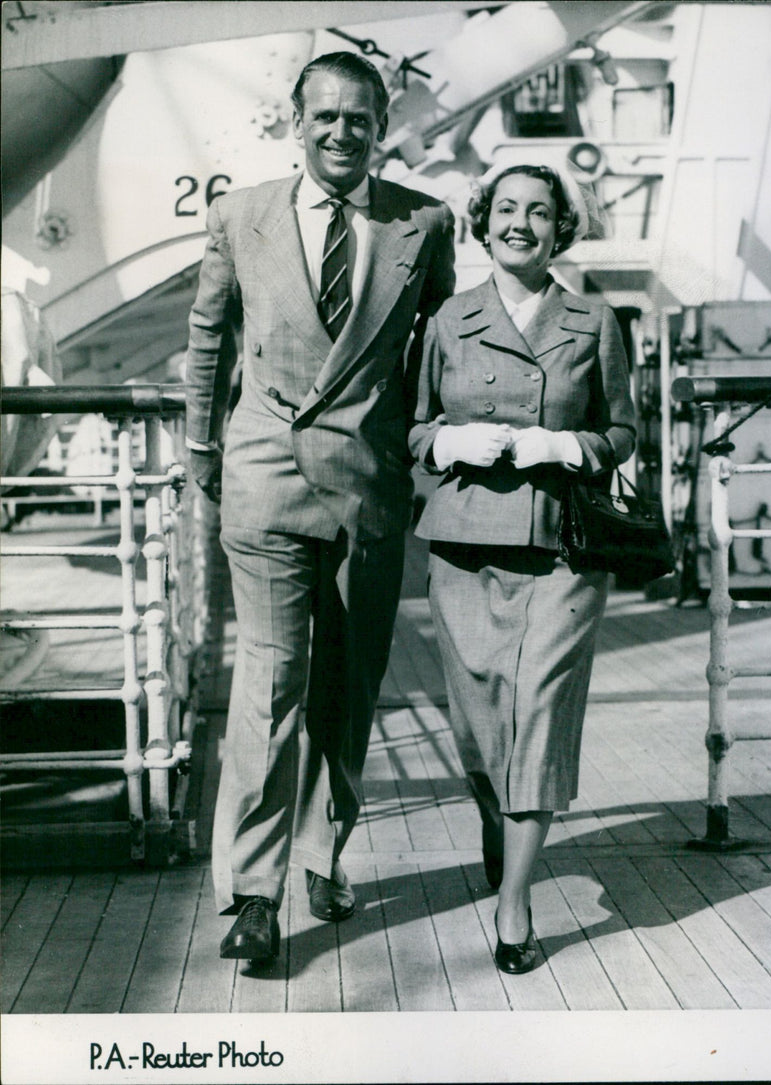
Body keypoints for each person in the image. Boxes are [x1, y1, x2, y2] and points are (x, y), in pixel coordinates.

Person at [184, 51, 455, 963]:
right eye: (326, 117)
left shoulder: (425, 223)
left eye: (360, 119)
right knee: (268, 682)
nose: (343, 133)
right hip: (266, 474)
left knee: (348, 686)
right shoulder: (241, 215)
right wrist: (198, 447)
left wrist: (420, 439)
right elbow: (207, 335)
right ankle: (254, 892)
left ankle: (322, 850)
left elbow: (440, 350)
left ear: (384, 127)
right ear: (295, 123)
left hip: (369, 484)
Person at [408, 164, 635, 974]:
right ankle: (497, 818)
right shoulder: (447, 319)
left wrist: (567, 446)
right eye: (505, 209)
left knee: (539, 713)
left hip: (562, 550)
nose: (520, 224)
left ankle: (514, 903)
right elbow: (408, 427)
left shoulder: (594, 320)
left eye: (539, 213)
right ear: (482, 221)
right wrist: (444, 441)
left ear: (559, 231)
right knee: (479, 729)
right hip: (465, 546)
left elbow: (624, 431)